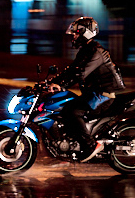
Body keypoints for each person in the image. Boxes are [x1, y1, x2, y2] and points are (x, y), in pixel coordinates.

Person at [48, 17, 126, 162]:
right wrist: (51, 82)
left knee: (72, 111)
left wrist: (62, 85)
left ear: (86, 33)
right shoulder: (86, 51)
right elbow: (71, 70)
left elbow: (81, 73)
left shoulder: (97, 53)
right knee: (64, 105)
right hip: (93, 94)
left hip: (103, 95)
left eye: (76, 34)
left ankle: (90, 145)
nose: (74, 36)